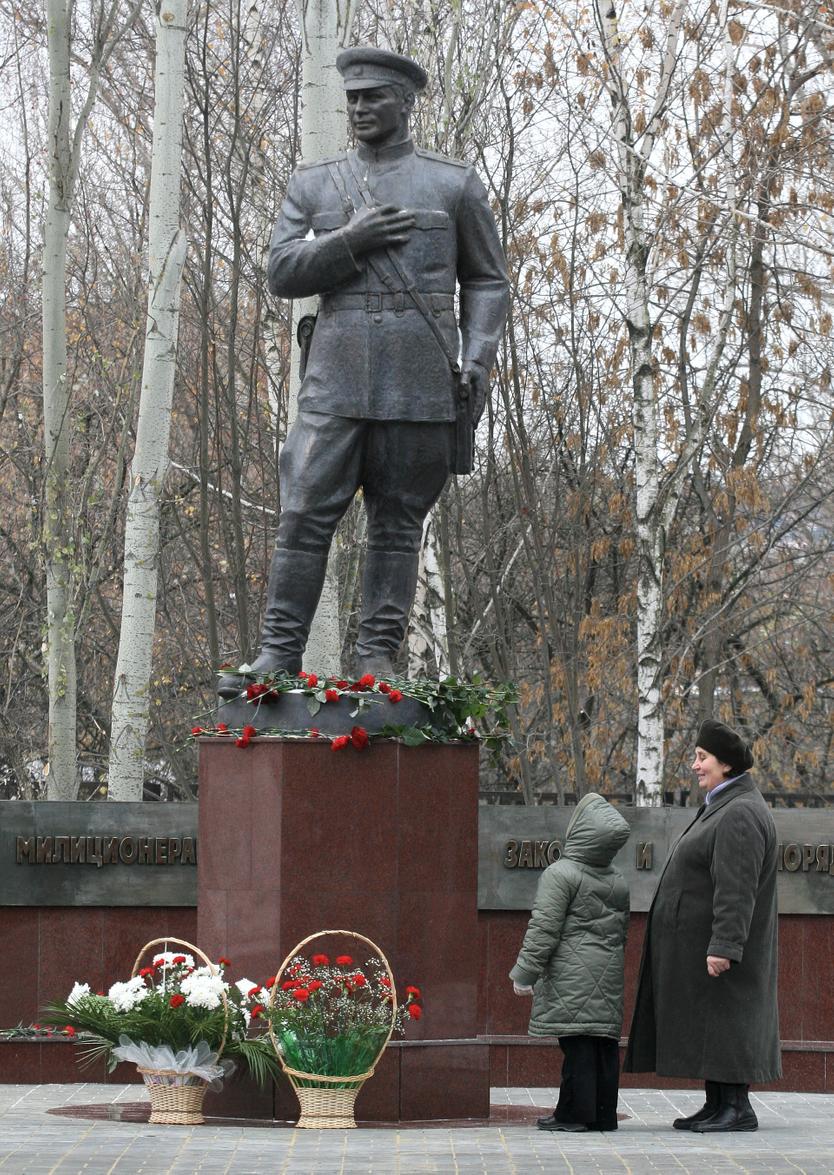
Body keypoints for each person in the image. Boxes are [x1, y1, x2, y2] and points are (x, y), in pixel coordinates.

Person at [218, 46, 508, 695]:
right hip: (336, 380)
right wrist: (351, 240)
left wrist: (478, 357)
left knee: (398, 523)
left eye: (372, 97)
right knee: (302, 514)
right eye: (352, 98)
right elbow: (282, 271)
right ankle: (278, 651)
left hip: (419, 379)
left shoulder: (451, 184)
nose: (359, 109)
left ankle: (378, 655)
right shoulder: (314, 184)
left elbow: (488, 280)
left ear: (405, 103)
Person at [624, 718, 781, 1132]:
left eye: (702, 757)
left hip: (723, 947)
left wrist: (725, 945)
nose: (695, 764)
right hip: (704, 943)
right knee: (715, 1021)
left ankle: (736, 1108)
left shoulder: (739, 813)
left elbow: (736, 888)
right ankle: (718, 1104)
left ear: (726, 764)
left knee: (727, 1019)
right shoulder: (726, 804)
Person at [510, 793, 630, 1132]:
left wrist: (525, 974)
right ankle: (603, 1115)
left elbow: (543, 928)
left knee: (576, 1045)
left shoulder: (560, 874)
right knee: (603, 1045)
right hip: (607, 975)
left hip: (570, 974)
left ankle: (573, 1115)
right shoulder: (617, 880)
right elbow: (621, 934)